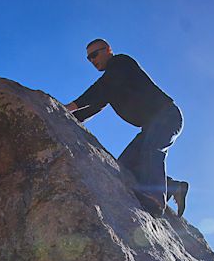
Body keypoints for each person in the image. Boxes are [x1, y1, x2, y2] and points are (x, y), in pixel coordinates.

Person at [65, 38, 189, 217]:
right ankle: (173, 187)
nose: (92, 60)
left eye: (94, 54)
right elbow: (96, 104)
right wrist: (68, 118)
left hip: (166, 116)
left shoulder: (121, 63)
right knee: (124, 167)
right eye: (88, 59)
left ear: (108, 49)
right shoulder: (110, 84)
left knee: (152, 150)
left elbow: (101, 87)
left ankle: (155, 199)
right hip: (150, 127)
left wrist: (71, 106)